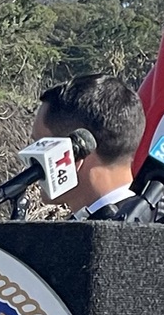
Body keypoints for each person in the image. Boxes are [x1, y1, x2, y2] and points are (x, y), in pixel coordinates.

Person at [32, 73, 146, 219]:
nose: (28, 158)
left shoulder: (87, 237)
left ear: (73, 153)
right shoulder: (158, 224)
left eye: (39, 145)